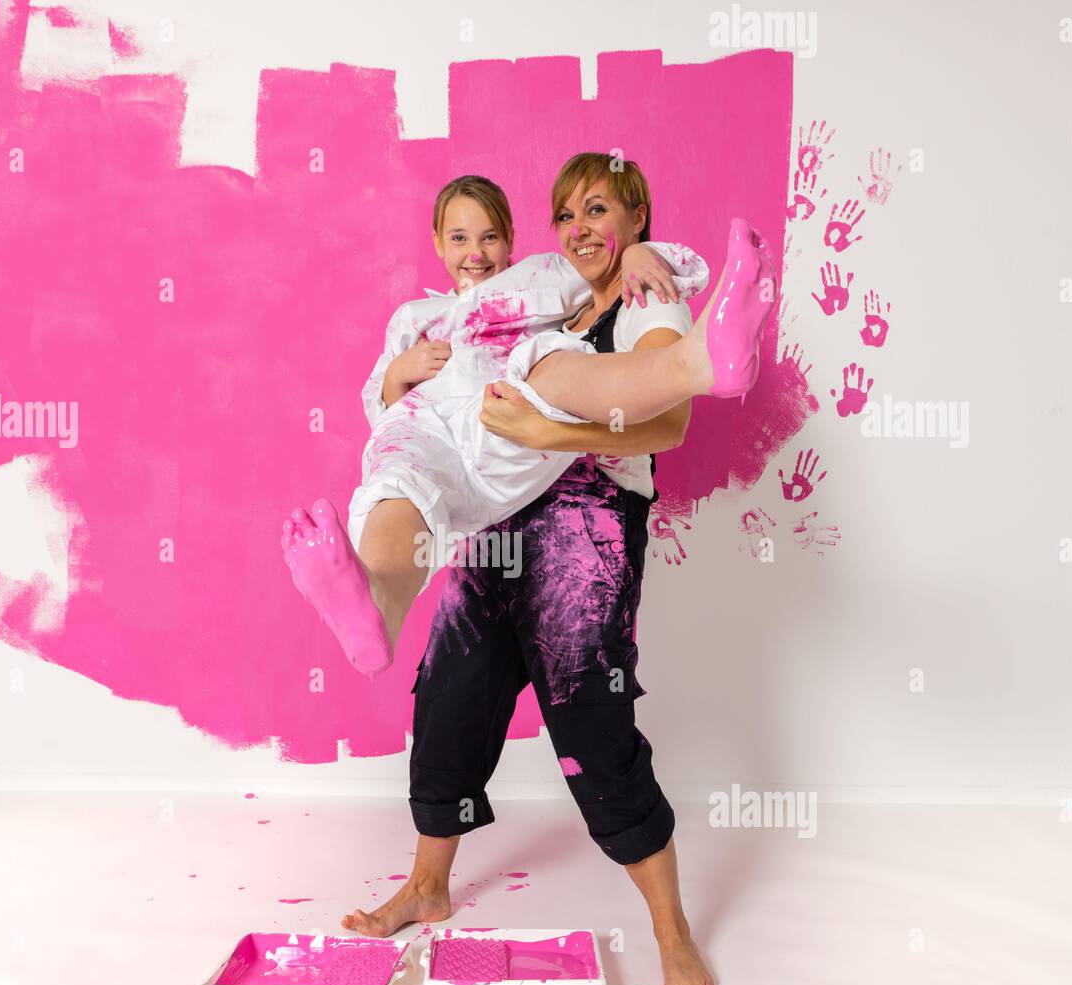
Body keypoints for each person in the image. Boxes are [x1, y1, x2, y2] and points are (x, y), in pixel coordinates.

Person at [341, 153, 750, 985]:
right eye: (566, 215)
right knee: (448, 697)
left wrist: (535, 423)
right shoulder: (557, 300)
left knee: (589, 723)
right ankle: (427, 885)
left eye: (598, 211)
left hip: (589, 525)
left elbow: (668, 423)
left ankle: (671, 929)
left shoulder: (645, 297)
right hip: (499, 520)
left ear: (636, 214)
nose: (580, 230)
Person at [281, 177, 774, 678]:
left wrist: (638, 254)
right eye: (458, 238)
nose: (475, 253)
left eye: (489, 237)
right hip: (424, 430)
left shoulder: (540, 278)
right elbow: (379, 409)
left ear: (511, 238)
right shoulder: (412, 319)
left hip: (501, 418)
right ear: (436, 241)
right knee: (394, 482)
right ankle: (379, 608)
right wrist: (394, 376)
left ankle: (699, 361)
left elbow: (598, 261)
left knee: (550, 360)